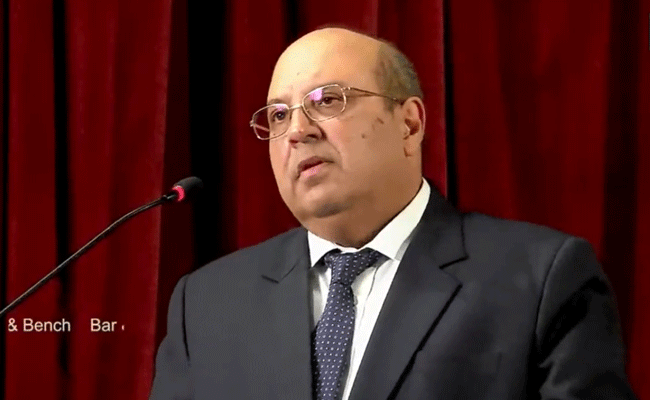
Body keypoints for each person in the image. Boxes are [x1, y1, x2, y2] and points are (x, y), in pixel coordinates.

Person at [150, 28, 636, 399]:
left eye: (327, 100)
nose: (297, 131)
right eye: (278, 115)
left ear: (409, 124)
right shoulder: (207, 303)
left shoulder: (541, 280)